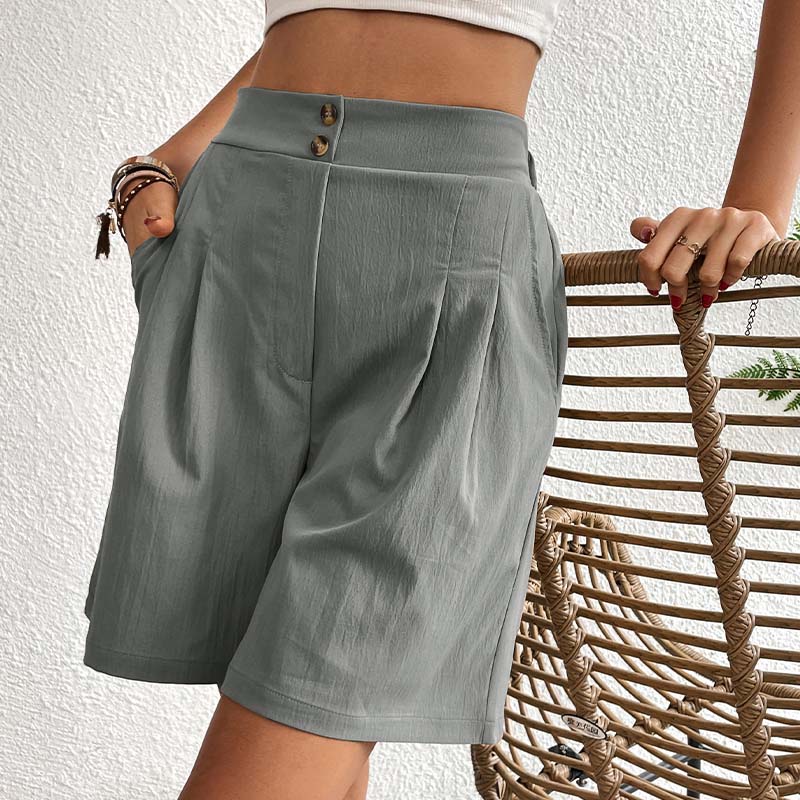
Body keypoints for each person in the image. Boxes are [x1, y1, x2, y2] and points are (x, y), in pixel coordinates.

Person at [85, 2, 794, 798]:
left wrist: (758, 200)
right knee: (314, 715)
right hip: (244, 232)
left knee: (319, 681)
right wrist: (166, 162)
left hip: (452, 255)